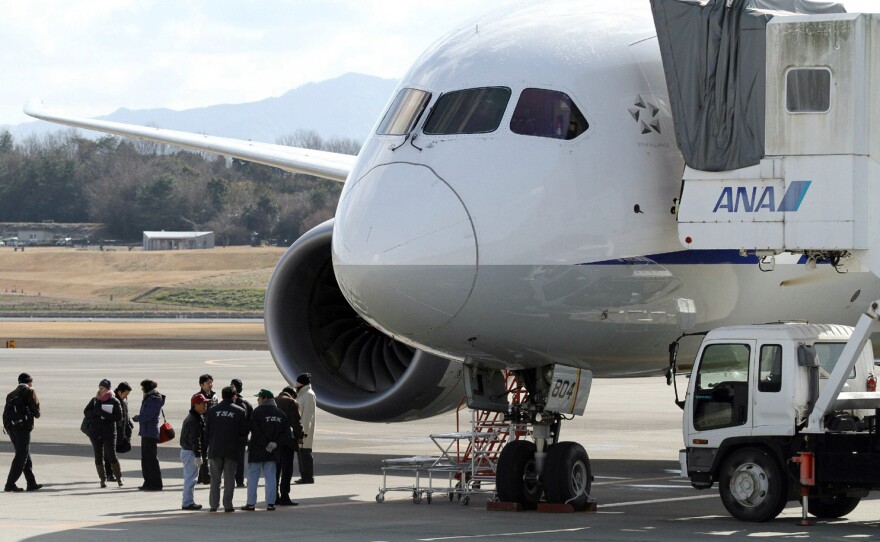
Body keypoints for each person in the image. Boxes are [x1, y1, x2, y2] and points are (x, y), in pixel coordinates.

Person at [241, 389, 290, 511]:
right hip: (272, 452)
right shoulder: (280, 414)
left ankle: (251, 503)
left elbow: (255, 431)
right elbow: (287, 434)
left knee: (253, 478)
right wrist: (275, 444)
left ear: (264, 399)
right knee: (271, 478)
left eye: (259, 398)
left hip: (257, 450)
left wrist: (266, 443)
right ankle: (271, 503)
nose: (257, 400)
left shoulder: (257, 412)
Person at [206, 386, 248, 512]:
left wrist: (208, 445)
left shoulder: (212, 410)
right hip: (231, 450)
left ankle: (214, 505)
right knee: (229, 479)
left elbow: (207, 431)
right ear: (234, 396)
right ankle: (228, 505)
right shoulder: (239, 411)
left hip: (215, 449)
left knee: (215, 479)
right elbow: (244, 432)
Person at [4, 373, 42, 492]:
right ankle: (10, 484)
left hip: (11, 428)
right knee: (21, 456)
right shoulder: (29, 391)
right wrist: (34, 394)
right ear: (29, 382)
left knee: (25, 453)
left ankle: (31, 482)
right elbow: (37, 413)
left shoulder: (10, 394)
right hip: (22, 428)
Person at [83, 379, 123, 488]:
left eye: (102, 388)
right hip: (95, 432)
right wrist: (95, 413)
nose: (100, 390)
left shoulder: (114, 401)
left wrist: (102, 413)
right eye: (99, 388)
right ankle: (102, 479)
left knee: (111, 455)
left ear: (108, 389)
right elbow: (86, 412)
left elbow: (118, 417)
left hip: (109, 432)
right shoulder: (95, 400)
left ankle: (118, 477)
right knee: (98, 455)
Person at [132, 379, 164, 491]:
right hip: (147, 431)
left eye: (142, 387)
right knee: (146, 459)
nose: (141, 389)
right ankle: (148, 482)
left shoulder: (153, 399)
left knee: (151, 459)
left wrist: (137, 418)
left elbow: (148, 415)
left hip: (150, 432)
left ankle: (155, 483)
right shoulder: (152, 398)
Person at [180, 393, 210, 511]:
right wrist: (198, 455)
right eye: (203, 403)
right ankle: (187, 502)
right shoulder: (193, 420)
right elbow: (195, 439)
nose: (205, 405)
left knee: (191, 477)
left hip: (189, 451)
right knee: (190, 478)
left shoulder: (197, 417)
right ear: (196, 405)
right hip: (190, 452)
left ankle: (188, 501)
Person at [275, 385, 303, 505]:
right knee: (287, 470)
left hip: (273, 441)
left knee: (275, 470)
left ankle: (274, 496)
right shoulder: (291, 402)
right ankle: (285, 496)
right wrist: (300, 436)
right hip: (287, 441)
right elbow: (295, 422)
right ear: (292, 394)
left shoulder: (273, 400)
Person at [104, 382, 133, 481]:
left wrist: (128, 425)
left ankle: (111, 474)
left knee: (113, 454)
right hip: (112, 432)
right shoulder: (112, 400)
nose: (126, 396)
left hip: (120, 432)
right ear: (120, 392)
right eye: (126, 394)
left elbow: (125, 415)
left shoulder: (121, 400)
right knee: (109, 454)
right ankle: (109, 474)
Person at [294, 373, 316, 484]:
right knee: (301, 453)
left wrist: (304, 431)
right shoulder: (302, 394)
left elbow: (307, 415)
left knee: (305, 453)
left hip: (304, 430)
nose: (295, 385)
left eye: (297, 382)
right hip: (300, 429)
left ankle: (308, 477)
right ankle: (304, 476)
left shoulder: (308, 395)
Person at [231, 378, 253, 488]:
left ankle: (229, 480)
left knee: (229, 460)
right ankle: (239, 481)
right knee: (240, 460)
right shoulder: (246, 405)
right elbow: (251, 423)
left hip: (229, 437)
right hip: (242, 437)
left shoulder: (225, 404)